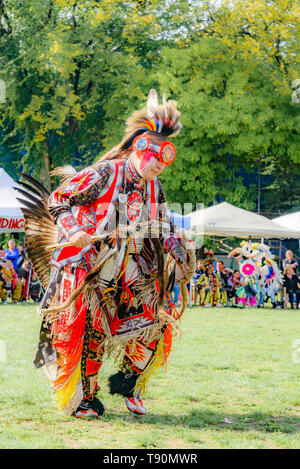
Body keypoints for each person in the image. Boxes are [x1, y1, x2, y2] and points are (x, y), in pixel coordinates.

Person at [18, 89, 195, 419]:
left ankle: (128, 384)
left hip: (133, 268)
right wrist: (75, 230)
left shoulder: (154, 187)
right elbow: (58, 198)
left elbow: (163, 223)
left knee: (157, 321)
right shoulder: (105, 174)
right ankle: (85, 398)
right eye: (154, 156)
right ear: (139, 147)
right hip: (92, 265)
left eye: (165, 158)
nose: (159, 165)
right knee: (90, 330)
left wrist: (178, 252)